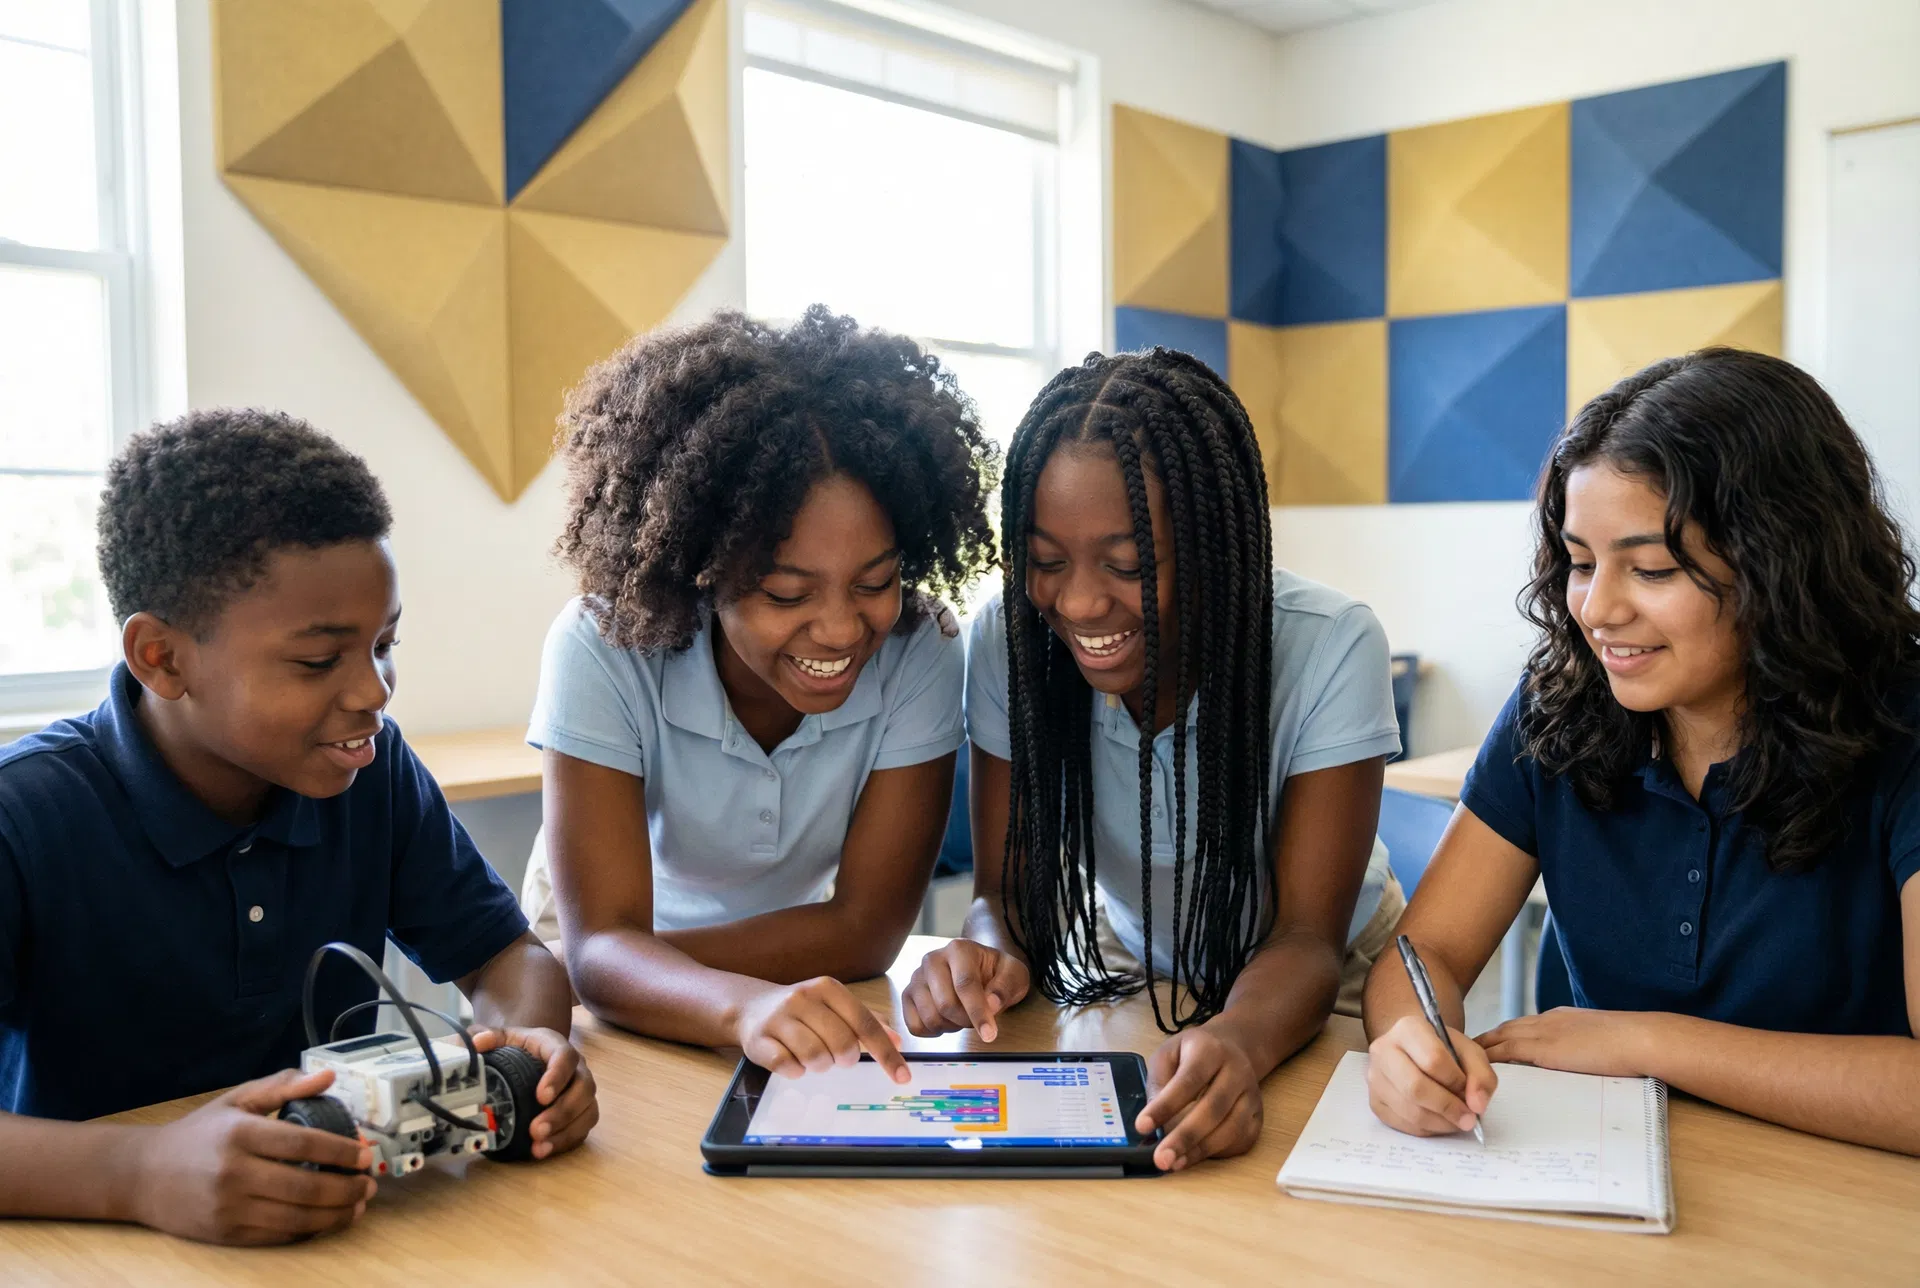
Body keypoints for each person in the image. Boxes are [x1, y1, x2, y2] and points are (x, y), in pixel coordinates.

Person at [0, 410, 597, 1245]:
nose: (375, 692)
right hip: (99, 1244)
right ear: (163, 659)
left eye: (385, 644)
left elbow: (507, 956)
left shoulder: (367, 771)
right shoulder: (25, 816)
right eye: (320, 661)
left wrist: (524, 1057)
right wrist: (137, 1174)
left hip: (345, 1231)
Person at [1363, 349, 1920, 1156]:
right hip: (1600, 1167)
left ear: (1783, 562)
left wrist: (1649, 1044)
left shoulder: (1902, 725)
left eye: (1651, 568)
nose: (1595, 609)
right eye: (1580, 563)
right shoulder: (1558, 707)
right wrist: (1411, 1044)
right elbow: (1429, 953)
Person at [905, 348, 1404, 1171]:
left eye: (1128, 564)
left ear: (1213, 545)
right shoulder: (1013, 641)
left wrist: (1237, 1041)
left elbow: (1307, 938)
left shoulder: (1331, 644)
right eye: (1046, 561)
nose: (1079, 602)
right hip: (1134, 955)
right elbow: (1008, 895)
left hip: (1331, 971)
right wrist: (985, 953)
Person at [526, 306, 997, 1084]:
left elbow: (868, 932)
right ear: (702, 573)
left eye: (875, 582)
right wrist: (639, 975)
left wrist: (637, 969)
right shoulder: (600, 647)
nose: (843, 630)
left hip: (771, 980)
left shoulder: (920, 648)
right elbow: (597, 945)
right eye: (786, 594)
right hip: (604, 968)